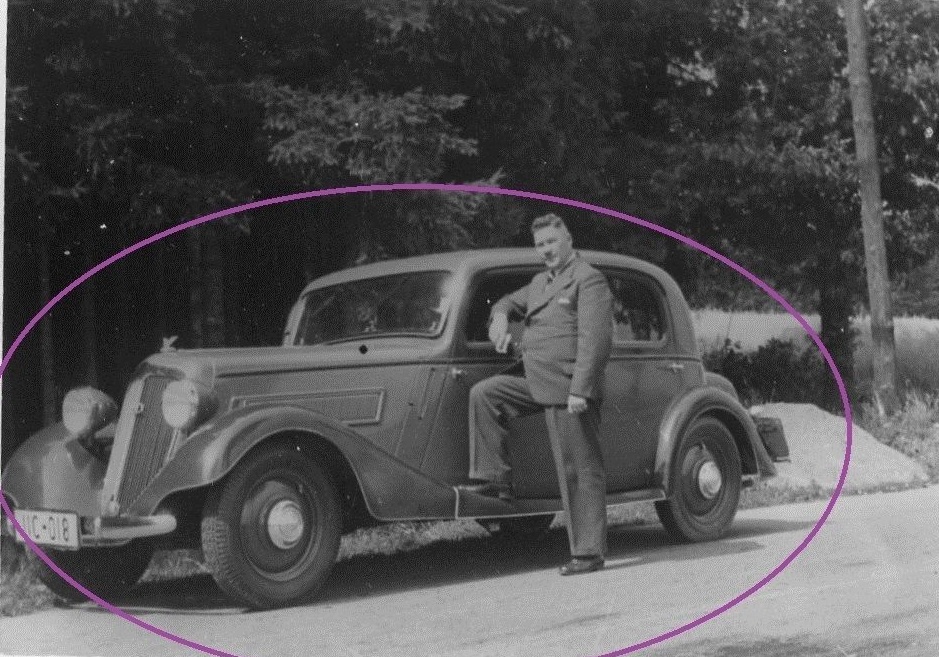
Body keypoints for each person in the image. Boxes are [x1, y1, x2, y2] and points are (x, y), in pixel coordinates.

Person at [458, 213, 613, 575]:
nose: (546, 250)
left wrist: (581, 391)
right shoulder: (540, 282)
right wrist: (499, 319)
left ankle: (588, 553)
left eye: (551, 242)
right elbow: (505, 303)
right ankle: (494, 482)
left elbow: (596, 341)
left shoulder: (587, 279)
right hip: (537, 380)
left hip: (569, 387)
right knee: (486, 393)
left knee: (578, 469)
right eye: (540, 244)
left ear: (568, 239)